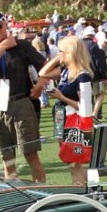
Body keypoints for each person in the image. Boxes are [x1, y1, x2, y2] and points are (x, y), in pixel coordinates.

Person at [0, 13, 47, 181]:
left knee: (31, 154)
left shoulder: (22, 46)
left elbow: (46, 65)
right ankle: (14, 196)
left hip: (21, 102)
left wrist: (40, 84)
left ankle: (42, 191)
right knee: (7, 158)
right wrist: (3, 46)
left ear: (6, 26)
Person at [38, 36, 95, 186]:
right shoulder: (65, 71)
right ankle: (79, 185)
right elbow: (42, 73)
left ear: (71, 53)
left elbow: (85, 107)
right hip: (60, 117)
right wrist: (58, 58)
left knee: (75, 160)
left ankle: (80, 188)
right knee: (68, 159)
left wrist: (61, 96)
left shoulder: (83, 76)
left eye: (61, 51)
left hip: (74, 120)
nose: (58, 54)